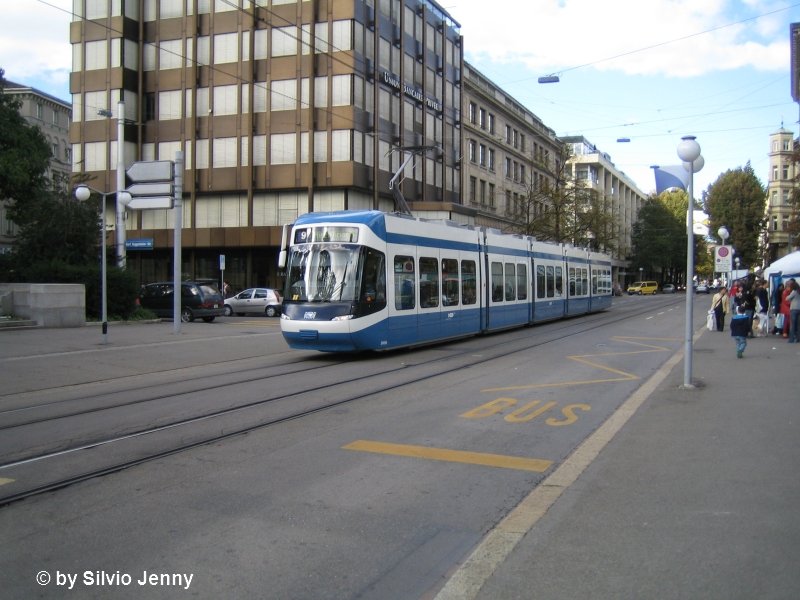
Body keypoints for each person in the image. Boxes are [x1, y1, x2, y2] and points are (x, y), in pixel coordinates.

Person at [787, 279, 800, 344]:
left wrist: (789, 296)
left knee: (792, 324)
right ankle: (798, 338)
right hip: (799, 308)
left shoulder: (794, 291)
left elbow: (787, 298)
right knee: (798, 325)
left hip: (794, 308)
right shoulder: (799, 291)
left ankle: (791, 339)